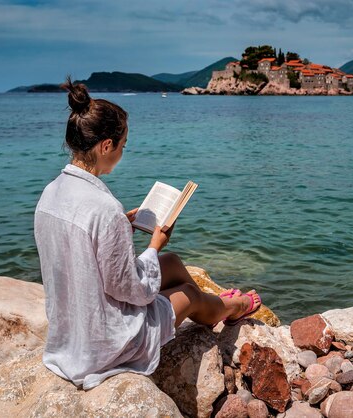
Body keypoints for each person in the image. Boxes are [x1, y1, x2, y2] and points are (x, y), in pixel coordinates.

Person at [33, 77, 262, 390]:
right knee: (189, 293)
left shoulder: (50, 194)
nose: (122, 153)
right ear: (105, 146)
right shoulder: (104, 207)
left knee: (171, 262)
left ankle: (212, 306)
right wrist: (154, 243)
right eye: (122, 146)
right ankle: (231, 308)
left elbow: (82, 253)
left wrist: (127, 233)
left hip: (72, 330)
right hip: (104, 343)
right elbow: (131, 291)